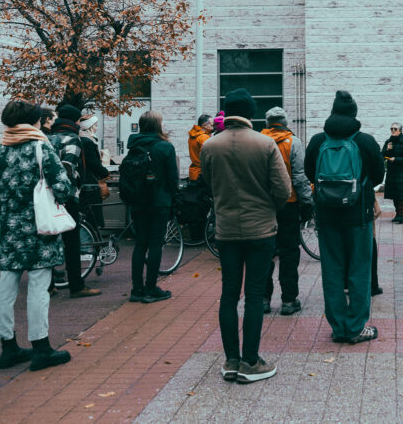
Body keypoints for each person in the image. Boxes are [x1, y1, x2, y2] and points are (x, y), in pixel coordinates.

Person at [201, 90, 290, 383]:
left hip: (226, 230)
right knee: (254, 295)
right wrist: (268, 208)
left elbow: (208, 185)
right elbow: (283, 189)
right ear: (251, 112)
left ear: (226, 112)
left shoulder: (210, 146)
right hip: (260, 229)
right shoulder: (265, 144)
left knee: (228, 295)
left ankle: (231, 360)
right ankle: (251, 361)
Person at [0, 100, 72, 371]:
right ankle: (41, 346)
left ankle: (7, 347)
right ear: (34, 121)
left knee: (7, 282)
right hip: (40, 225)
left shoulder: (0, 149)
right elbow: (62, 185)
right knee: (38, 285)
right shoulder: (40, 145)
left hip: (11, 226)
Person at [305, 90, 384, 344]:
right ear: (354, 113)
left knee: (332, 271)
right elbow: (379, 176)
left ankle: (338, 327)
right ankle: (356, 327)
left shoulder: (318, 141)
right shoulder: (365, 141)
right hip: (358, 216)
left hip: (327, 216)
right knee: (359, 271)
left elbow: (309, 172)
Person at [260, 106, 313, 316]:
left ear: (267, 123)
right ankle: (289, 300)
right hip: (288, 205)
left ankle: (263, 299)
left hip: (264, 206)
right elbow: (300, 177)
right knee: (289, 252)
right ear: (286, 123)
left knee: (265, 252)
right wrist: (307, 203)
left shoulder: (259, 142)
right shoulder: (294, 142)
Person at [47, 104, 102, 298]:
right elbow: (68, 168)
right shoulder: (73, 139)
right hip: (67, 195)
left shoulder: (47, 137)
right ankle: (76, 286)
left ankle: (49, 285)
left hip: (47, 197)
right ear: (76, 121)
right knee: (72, 241)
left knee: (50, 238)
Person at [126, 110, 179, 304]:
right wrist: (174, 199)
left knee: (140, 243)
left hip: (138, 201)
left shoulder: (134, 145)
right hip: (159, 201)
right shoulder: (165, 146)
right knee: (156, 244)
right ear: (158, 125)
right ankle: (151, 288)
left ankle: (136, 289)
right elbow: (172, 178)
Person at [382, 123, 403, 224]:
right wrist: (387, 150)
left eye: (395, 129)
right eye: (391, 129)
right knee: (394, 194)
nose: (393, 130)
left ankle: (400, 215)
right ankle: (397, 214)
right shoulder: (388, 142)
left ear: (400, 131)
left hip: (402, 172)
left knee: (401, 194)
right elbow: (382, 156)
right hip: (392, 172)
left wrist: (396, 159)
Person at [188, 114, 213, 182]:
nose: (213, 128)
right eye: (211, 125)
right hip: (202, 175)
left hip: (194, 173)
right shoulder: (204, 137)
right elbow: (207, 158)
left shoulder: (193, 135)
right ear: (205, 125)